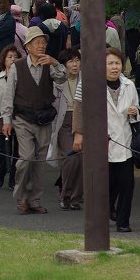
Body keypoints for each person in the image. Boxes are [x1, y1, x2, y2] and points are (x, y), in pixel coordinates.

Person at [1, 26, 68, 215]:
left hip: (44, 118)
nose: (41, 46)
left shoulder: (49, 64)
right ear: (27, 46)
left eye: (43, 43)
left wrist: (55, 62)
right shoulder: (17, 66)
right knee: (26, 157)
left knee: (40, 161)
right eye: (37, 43)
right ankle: (22, 197)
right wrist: (6, 120)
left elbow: (63, 78)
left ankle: (35, 199)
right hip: (23, 118)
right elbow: (9, 94)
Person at [73, 47, 140, 232]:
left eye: (117, 63)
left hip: (124, 142)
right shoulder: (90, 84)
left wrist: (134, 112)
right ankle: (105, 212)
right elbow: (79, 109)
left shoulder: (129, 85)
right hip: (101, 142)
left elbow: (136, 112)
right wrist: (79, 133)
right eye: (110, 63)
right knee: (107, 184)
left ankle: (123, 222)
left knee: (127, 183)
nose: (114, 67)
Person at [0, 46, 21, 190]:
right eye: (9, 57)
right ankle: (0, 174)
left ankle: (13, 179)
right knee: (3, 149)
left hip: (19, 119)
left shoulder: (22, 77)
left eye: (15, 57)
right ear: (3, 60)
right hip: (1, 119)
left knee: (18, 152)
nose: (13, 59)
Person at [56, 48, 83, 211]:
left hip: (81, 119)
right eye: (71, 61)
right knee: (71, 157)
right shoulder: (58, 80)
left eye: (77, 60)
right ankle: (65, 194)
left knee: (83, 158)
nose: (75, 64)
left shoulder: (85, 79)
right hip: (64, 120)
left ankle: (76, 197)